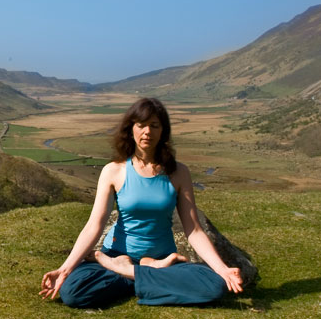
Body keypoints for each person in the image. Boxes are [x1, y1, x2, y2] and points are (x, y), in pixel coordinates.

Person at [38, 97, 243, 308]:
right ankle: (144, 277)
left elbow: (194, 229)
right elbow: (94, 225)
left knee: (214, 285)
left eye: (154, 126)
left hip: (163, 261)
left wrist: (222, 269)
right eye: (141, 125)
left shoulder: (179, 173)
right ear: (131, 129)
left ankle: (128, 273)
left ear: (163, 131)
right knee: (72, 291)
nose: (147, 132)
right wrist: (64, 270)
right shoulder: (113, 171)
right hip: (117, 255)